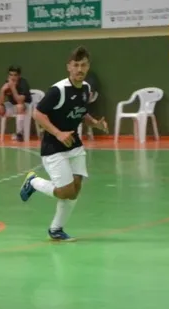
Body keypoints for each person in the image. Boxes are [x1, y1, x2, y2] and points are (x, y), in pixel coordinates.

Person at [20, 47, 108, 241]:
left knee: (75, 191)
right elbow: (38, 114)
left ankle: (56, 229)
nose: (79, 69)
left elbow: (80, 111)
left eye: (83, 65)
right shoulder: (58, 90)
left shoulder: (85, 88)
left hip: (74, 145)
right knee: (65, 191)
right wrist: (58, 133)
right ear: (69, 67)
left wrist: (95, 123)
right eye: (76, 65)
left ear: (88, 67)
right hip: (53, 148)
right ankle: (33, 182)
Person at [0, 65, 31, 143]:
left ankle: (19, 134)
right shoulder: (7, 83)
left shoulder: (23, 83)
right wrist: (2, 90)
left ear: (19, 76)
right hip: (12, 105)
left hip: (25, 106)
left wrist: (13, 88)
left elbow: (20, 101)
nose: (13, 77)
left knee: (19, 106)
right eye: (11, 75)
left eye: (15, 75)